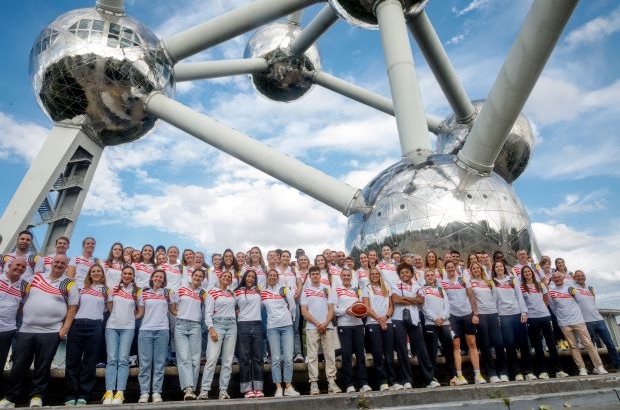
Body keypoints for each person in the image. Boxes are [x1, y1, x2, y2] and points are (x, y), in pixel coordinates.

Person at [0, 255, 78, 408]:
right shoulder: (35, 278)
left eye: (63, 263)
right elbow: (22, 299)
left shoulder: (70, 284)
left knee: (43, 366)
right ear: (51, 263)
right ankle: (10, 398)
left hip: (51, 331)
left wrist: (64, 330)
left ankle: (36, 396)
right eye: (57, 262)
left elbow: (72, 309)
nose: (59, 265)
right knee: (19, 364)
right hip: (26, 329)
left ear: (67, 266)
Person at [64, 264, 110, 405]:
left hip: (95, 325)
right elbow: (73, 307)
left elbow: (110, 309)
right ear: (89, 274)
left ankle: (84, 394)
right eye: (93, 271)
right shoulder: (80, 288)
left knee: (90, 362)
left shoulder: (106, 290)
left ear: (102, 274)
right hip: (77, 324)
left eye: (98, 271)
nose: (96, 273)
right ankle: (71, 394)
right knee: (73, 361)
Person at [548, 271, 607, 376]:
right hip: (564, 323)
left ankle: (599, 366)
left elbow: (580, 301)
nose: (557, 279)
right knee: (573, 346)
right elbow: (553, 308)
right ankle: (582, 368)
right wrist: (561, 317)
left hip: (578, 320)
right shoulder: (551, 292)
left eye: (559, 277)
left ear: (562, 278)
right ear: (553, 280)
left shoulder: (571, 289)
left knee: (588, 344)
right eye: (555, 277)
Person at [391, 263, 439, 389]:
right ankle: (406, 379)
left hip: (414, 319)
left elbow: (421, 300)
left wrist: (405, 299)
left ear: (412, 273)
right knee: (402, 350)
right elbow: (395, 300)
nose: (404, 274)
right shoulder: (395, 285)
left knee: (421, 348)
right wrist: (413, 299)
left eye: (407, 272)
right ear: (399, 275)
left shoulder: (417, 285)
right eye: (402, 273)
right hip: (398, 319)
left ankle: (430, 378)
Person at [102, 266, 144, 405]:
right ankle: (109, 391)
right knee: (112, 359)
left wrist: (132, 319)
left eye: (129, 274)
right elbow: (109, 306)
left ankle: (120, 392)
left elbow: (141, 310)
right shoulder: (113, 289)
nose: (127, 276)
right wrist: (116, 315)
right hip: (112, 327)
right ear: (121, 275)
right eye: (125, 273)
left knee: (123, 359)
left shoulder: (137, 291)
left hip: (128, 328)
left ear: (133, 276)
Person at [440, 260, 484, 385]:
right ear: (445, 269)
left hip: (467, 315)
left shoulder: (463, 279)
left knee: (472, 344)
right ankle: (459, 376)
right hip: (453, 318)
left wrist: (475, 313)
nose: (450, 269)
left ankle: (477, 374)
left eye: (452, 267)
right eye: (448, 267)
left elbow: (471, 295)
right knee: (456, 346)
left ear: (455, 268)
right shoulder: (442, 283)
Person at [519, 266, 567, 379]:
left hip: (545, 316)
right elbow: (522, 302)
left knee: (551, 344)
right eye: (525, 272)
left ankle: (558, 370)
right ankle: (543, 371)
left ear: (532, 273)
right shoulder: (521, 287)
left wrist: (543, 307)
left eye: (528, 271)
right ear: (522, 274)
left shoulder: (539, 284)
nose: (527, 273)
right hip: (532, 318)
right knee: (538, 346)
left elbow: (546, 297)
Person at [301, 266, 341, 395]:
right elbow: (304, 311)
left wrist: (325, 323)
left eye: (317, 273)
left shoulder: (327, 290)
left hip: (327, 326)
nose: (315, 276)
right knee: (312, 357)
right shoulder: (305, 291)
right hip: (312, 327)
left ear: (320, 275)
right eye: (313, 274)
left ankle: (331, 382)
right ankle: (313, 383)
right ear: (310, 276)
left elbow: (331, 309)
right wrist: (318, 323)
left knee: (330, 355)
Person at [198, 271, 237, 400]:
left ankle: (223, 390)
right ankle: (204, 391)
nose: (226, 278)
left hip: (232, 326)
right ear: (219, 278)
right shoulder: (212, 292)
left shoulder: (232, 293)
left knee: (227, 361)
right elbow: (208, 313)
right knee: (212, 359)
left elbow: (236, 308)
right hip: (217, 325)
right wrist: (211, 329)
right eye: (224, 276)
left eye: (229, 277)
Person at [492, 260, 533, 381]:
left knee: (524, 344)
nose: (499, 268)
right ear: (494, 269)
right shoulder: (492, 282)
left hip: (517, 314)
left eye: (501, 266)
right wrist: (497, 316)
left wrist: (524, 312)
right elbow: (494, 300)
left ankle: (528, 371)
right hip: (503, 315)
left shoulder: (512, 279)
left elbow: (519, 295)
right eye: (497, 267)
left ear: (504, 268)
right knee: (510, 344)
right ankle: (517, 372)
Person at [262, 269, 300, 397]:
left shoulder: (284, 289)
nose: (272, 277)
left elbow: (293, 305)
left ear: (277, 277)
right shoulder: (263, 292)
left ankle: (288, 386)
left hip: (286, 326)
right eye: (270, 275)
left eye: (274, 275)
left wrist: (290, 317)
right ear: (267, 277)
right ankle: (278, 387)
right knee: (276, 358)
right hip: (272, 327)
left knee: (289, 358)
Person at [468, 261, 507, 383]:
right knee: (485, 345)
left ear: (481, 269)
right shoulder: (470, 283)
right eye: (473, 268)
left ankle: (503, 372)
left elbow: (495, 297)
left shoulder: (489, 282)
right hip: (480, 315)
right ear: (471, 270)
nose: (476, 270)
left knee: (499, 343)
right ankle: (492, 373)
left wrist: (496, 312)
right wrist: (475, 313)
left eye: (477, 268)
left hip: (493, 313)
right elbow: (470, 298)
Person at [169, 269, 206, 400]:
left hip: (195, 325)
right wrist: (179, 314)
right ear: (191, 276)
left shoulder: (203, 293)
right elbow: (172, 306)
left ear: (203, 279)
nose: (197, 277)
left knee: (195, 359)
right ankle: (188, 388)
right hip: (181, 325)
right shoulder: (181, 289)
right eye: (196, 275)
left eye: (200, 276)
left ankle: (192, 388)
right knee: (184, 357)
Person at [137, 269, 173, 403]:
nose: (158, 279)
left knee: (159, 363)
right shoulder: (144, 293)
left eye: (161, 277)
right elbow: (140, 313)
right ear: (152, 278)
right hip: (145, 330)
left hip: (162, 331)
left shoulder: (167, 293)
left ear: (164, 280)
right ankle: (144, 393)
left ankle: (157, 392)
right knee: (145, 364)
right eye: (156, 276)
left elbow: (173, 310)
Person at [572, 270, 620, 370]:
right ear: (574, 278)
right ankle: (596, 367)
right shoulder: (573, 289)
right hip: (586, 322)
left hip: (599, 320)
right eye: (578, 276)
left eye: (582, 275)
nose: (580, 277)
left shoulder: (590, 288)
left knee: (609, 343)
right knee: (590, 346)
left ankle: (617, 365)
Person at [334, 268, 371, 393]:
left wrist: (360, 313)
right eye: (344, 275)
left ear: (351, 276)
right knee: (347, 355)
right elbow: (333, 309)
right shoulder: (337, 290)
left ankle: (363, 383)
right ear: (340, 276)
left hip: (358, 325)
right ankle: (349, 384)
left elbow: (363, 307)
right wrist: (346, 311)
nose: (346, 277)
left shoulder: (357, 290)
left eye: (348, 275)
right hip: (344, 325)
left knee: (361, 354)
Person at [362, 267, 396, 391]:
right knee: (377, 353)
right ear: (369, 276)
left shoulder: (386, 286)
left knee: (389, 353)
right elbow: (366, 307)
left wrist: (386, 317)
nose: (375, 275)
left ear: (380, 275)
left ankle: (392, 381)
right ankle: (383, 382)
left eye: (377, 273)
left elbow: (391, 306)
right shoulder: (366, 288)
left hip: (388, 321)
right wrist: (379, 319)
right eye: (372, 274)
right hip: (373, 323)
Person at [421, 269, 456, 385]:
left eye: (432, 275)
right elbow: (423, 307)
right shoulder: (422, 289)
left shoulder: (441, 289)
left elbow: (447, 305)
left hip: (444, 323)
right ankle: (432, 378)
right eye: (428, 275)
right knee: (432, 351)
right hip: (431, 323)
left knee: (448, 350)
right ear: (425, 277)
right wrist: (435, 318)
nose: (430, 277)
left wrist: (443, 317)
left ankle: (453, 376)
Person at [235, 270, 265, 398]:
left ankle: (258, 388)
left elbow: (263, 306)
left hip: (257, 324)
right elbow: (231, 306)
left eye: (253, 277)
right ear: (244, 277)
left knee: (258, 358)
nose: (250, 278)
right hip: (243, 324)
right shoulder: (237, 291)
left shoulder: (258, 291)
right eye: (249, 276)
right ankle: (247, 389)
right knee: (245, 358)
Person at [0, 257, 28, 372]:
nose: (20, 268)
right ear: (10, 265)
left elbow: (21, 307)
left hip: (7, 330)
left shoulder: (25, 286)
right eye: (17, 265)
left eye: (23, 267)